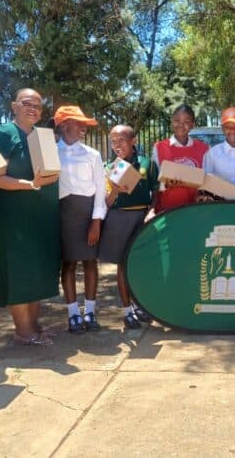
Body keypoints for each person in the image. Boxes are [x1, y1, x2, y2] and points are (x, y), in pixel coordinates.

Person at [0, 88, 60, 346]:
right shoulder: (6, 134)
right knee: (19, 273)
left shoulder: (41, 136)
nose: (33, 109)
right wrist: (30, 184)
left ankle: (34, 326)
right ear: (14, 106)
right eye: (27, 103)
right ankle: (24, 332)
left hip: (38, 217)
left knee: (35, 271)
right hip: (13, 218)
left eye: (38, 105)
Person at [99, 125, 159, 329]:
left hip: (142, 217)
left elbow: (156, 192)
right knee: (122, 265)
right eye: (113, 141)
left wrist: (151, 210)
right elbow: (106, 202)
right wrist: (115, 190)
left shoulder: (147, 164)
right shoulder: (109, 167)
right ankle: (127, 311)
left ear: (133, 141)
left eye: (122, 140)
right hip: (119, 218)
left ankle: (139, 305)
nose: (117, 145)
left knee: (139, 264)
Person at [55, 105, 107, 334]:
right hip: (64, 212)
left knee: (90, 262)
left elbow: (100, 189)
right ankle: (73, 313)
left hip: (87, 213)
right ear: (64, 126)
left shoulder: (92, 154)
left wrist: (96, 221)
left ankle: (90, 312)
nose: (83, 127)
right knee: (68, 263)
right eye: (78, 123)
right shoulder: (52, 153)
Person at [152, 105, 209, 212]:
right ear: (172, 122)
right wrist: (166, 184)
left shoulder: (203, 149)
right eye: (177, 120)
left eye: (186, 121)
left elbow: (205, 181)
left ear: (192, 125)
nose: (181, 125)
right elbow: (154, 182)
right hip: (166, 210)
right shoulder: (159, 147)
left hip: (194, 209)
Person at [201, 107, 235, 195]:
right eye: (227, 127)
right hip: (218, 202)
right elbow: (205, 182)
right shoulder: (212, 154)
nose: (232, 130)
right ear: (222, 128)